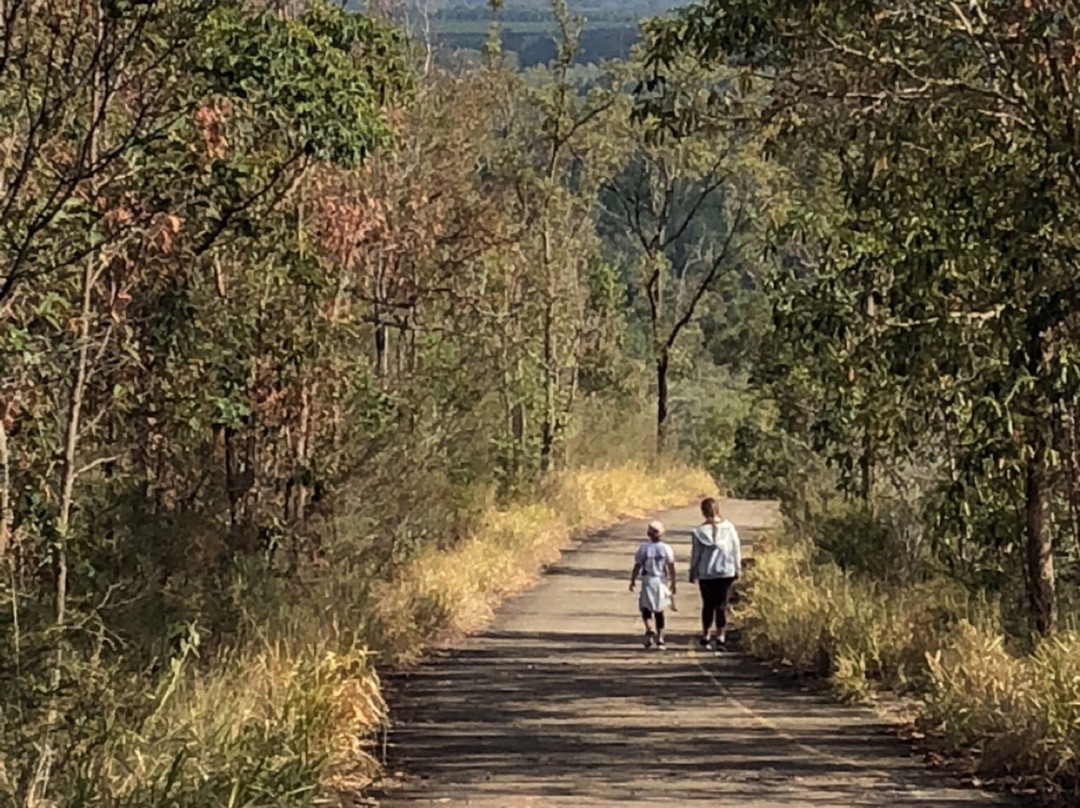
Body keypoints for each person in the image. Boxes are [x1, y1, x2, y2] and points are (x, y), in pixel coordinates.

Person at [689, 497, 741, 651]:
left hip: (707, 572)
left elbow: (696, 555)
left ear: (703, 512)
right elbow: (735, 550)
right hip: (726, 571)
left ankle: (706, 634)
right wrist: (737, 568)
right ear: (718, 509)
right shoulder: (730, 528)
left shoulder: (698, 532)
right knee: (721, 605)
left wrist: (693, 571)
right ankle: (721, 636)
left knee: (708, 604)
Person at [629, 520, 676, 649]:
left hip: (647, 580)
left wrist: (632, 580)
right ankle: (660, 638)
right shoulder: (666, 548)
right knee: (659, 609)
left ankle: (650, 629)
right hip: (660, 581)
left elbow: (637, 565)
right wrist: (673, 582)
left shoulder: (644, 548)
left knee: (646, 607)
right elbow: (671, 567)